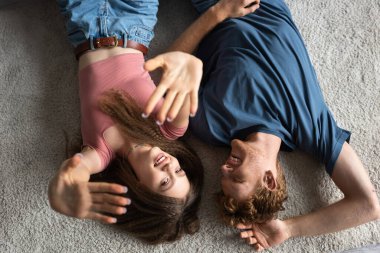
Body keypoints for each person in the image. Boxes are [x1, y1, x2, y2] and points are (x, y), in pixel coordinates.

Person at [144, 0, 380, 250]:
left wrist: (217, 13)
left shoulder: (211, 127)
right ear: (269, 179)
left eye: (223, 175)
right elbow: (368, 206)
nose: (224, 168)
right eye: (236, 177)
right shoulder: (311, 129)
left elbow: (163, 71)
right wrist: (289, 228)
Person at [47, 0, 205, 244]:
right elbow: (186, 80)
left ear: (141, 192)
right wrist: (192, 68)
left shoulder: (101, 153)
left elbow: (75, 170)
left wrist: (61, 189)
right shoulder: (170, 129)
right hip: (135, 18)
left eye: (165, 182)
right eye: (178, 171)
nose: (169, 167)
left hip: (84, 23)